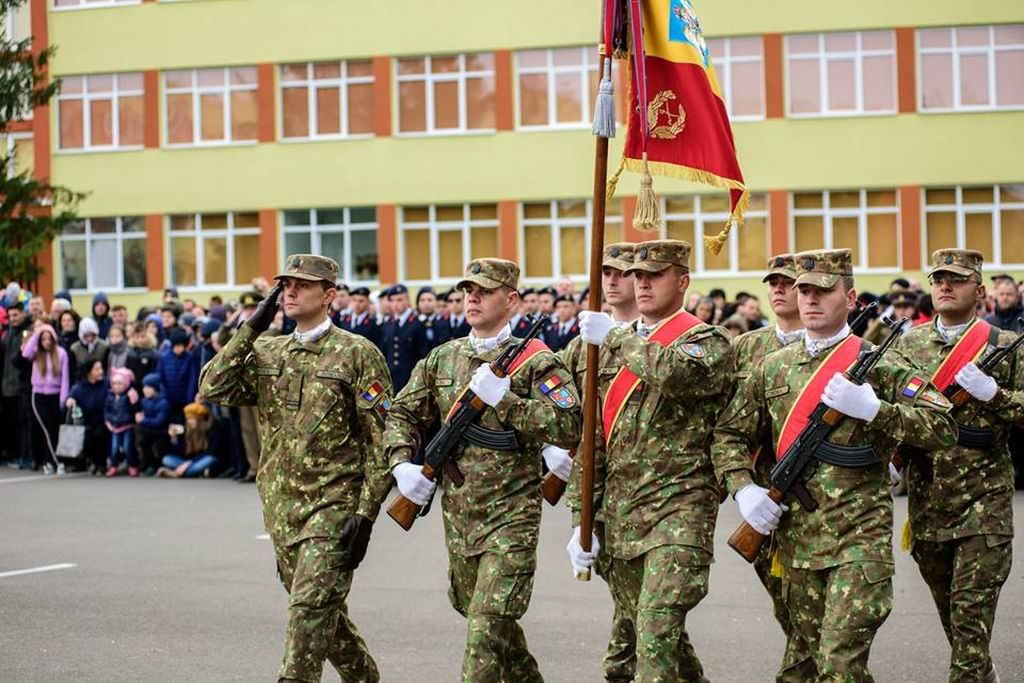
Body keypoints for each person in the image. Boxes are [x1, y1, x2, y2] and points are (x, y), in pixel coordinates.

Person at [711, 248, 958, 681]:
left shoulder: (879, 364)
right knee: (807, 667)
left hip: (859, 543)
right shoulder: (772, 368)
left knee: (840, 665)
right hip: (797, 548)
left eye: (822, 291)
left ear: (850, 297)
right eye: (803, 289)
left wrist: (876, 411)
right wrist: (744, 488)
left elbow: (943, 426)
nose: (809, 299)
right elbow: (728, 436)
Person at [200, 254, 393, 683]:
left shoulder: (358, 354)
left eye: (301, 285)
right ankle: (363, 676)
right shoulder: (269, 350)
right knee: (319, 609)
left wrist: (366, 514)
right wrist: (251, 326)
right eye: (284, 284)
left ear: (329, 295)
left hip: (335, 505)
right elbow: (214, 385)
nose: (289, 292)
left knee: (307, 610)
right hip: (282, 507)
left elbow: (381, 442)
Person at [385, 257, 580, 681]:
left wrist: (504, 400)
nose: (472, 298)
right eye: (467, 290)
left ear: (510, 300)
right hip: (460, 516)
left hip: (512, 517)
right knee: (484, 620)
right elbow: (401, 412)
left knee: (486, 629)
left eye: (484, 291)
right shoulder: (444, 358)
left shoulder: (537, 361)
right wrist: (402, 465)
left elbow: (568, 424)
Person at [567, 240, 732, 682]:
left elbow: (677, 374)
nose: (642, 283)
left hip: (680, 510)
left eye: (654, 275)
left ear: (682, 281)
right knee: (653, 635)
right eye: (637, 276)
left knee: (656, 630)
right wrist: (580, 519)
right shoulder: (607, 347)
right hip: (622, 514)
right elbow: (593, 438)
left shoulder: (706, 341)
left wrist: (617, 337)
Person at [895, 249, 1021, 683]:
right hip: (928, 502)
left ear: (980, 290)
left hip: (985, 505)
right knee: (952, 612)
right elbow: (893, 411)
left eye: (957, 279)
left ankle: (972, 671)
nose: (945, 286)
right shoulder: (909, 343)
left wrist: (995, 395)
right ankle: (980, 669)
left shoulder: (1003, 345)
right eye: (939, 279)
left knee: (970, 615)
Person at [561, 242, 641, 681]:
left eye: (621, 272)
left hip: (654, 499)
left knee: (651, 616)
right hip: (604, 496)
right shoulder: (581, 348)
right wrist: (580, 515)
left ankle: (617, 671)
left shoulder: (659, 343)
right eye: (604, 272)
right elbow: (568, 421)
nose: (610, 280)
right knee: (637, 609)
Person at [729, 254, 805, 641]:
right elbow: (725, 421)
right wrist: (741, 487)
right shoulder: (745, 346)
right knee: (785, 607)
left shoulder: (833, 348)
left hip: (818, 492)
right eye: (772, 282)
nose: (778, 289)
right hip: (764, 491)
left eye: (787, 282)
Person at [22, 322, 71, 474]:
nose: (47, 342)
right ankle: (56, 461)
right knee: (47, 428)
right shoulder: (36, 353)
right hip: (38, 395)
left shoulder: (61, 353)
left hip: (55, 395)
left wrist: (63, 398)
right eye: (43, 339)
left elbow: (65, 378)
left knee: (54, 429)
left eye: (49, 338)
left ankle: (50, 460)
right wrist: (37, 333)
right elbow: (25, 353)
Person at [377, 283, 427, 392]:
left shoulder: (418, 323)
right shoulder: (387, 324)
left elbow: (423, 354)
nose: (395, 304)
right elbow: (383, 353)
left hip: (411, 380)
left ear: (408, 300)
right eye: (392, 300)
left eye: (399, 300)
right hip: (391, 380)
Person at [158, 401, 224, 478]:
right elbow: (181, 452)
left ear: (199, 419)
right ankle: (198, 472)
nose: (189, 422)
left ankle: (176, 474)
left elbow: (211, 451)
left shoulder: (210, 429)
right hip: (188, 461)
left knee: (210, 459)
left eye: (192, 419)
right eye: (188, 419)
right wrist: (174, 438)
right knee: (167, 459)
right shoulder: (186, 430)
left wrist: (189, 463)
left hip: (203, 459)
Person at [2, 304, 33, 468]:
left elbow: (23, 359)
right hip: (7, 386)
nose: (13, 319)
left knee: (23, 423)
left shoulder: (27, 331)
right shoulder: (8, 333)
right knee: (12, 424)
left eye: (16, 315)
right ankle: (15, 455)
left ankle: (26, 456)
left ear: (22, 314)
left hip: (22, 385)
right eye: (10, 316)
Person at [66, 358, 109, 475]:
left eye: (101, 368)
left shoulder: (106, 384)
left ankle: (102, 464)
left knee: (100, 435)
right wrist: (70, 400)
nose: (101, 371)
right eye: (97, 369)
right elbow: (71, 396)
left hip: (105, 420)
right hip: (86, 421)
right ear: (89, 372)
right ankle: (94, 462)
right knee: (86, 439)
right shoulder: (79, 387)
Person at [158, 328, 198, 424]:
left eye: (181, 346)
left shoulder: (189, 357)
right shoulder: (164, 357)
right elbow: (160, 378)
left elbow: (192, 379)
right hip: (169, 398)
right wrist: (164, 396)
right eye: (176, 346)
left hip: (184, 398)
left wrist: (189, 399)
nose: (179, 349)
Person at [104, 367, 139, 477]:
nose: (117, 386)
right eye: (114, 383)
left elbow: (135, 410)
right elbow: (106, 411)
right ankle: (113, 466)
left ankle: (132, 465)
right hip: (114, 426)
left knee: (128, 447)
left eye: (120, 383)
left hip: (127, 425)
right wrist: (108, 421)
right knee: (114, 448)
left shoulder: (129, 396)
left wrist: (134, 400)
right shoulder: (110, 397)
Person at [135, 373, 170, 476]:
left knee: (146, 439)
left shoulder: (163, 402)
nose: (145, 390)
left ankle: (154, 466)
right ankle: (146, 465)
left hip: (161, 432)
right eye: (144, 387)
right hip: (149, 431)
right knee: (141, 436)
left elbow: (160, 421)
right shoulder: (144, 401)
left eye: (148, 387)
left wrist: (142, 420)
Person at [125, 322, 159, 393]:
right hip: (132, 389)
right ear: (133, 337)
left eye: (143, 336)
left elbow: (154, 373)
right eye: (137, 337)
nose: (140, 340)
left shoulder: (153, 354)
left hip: (147, 389)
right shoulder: (130, 353)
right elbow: (127, 371)